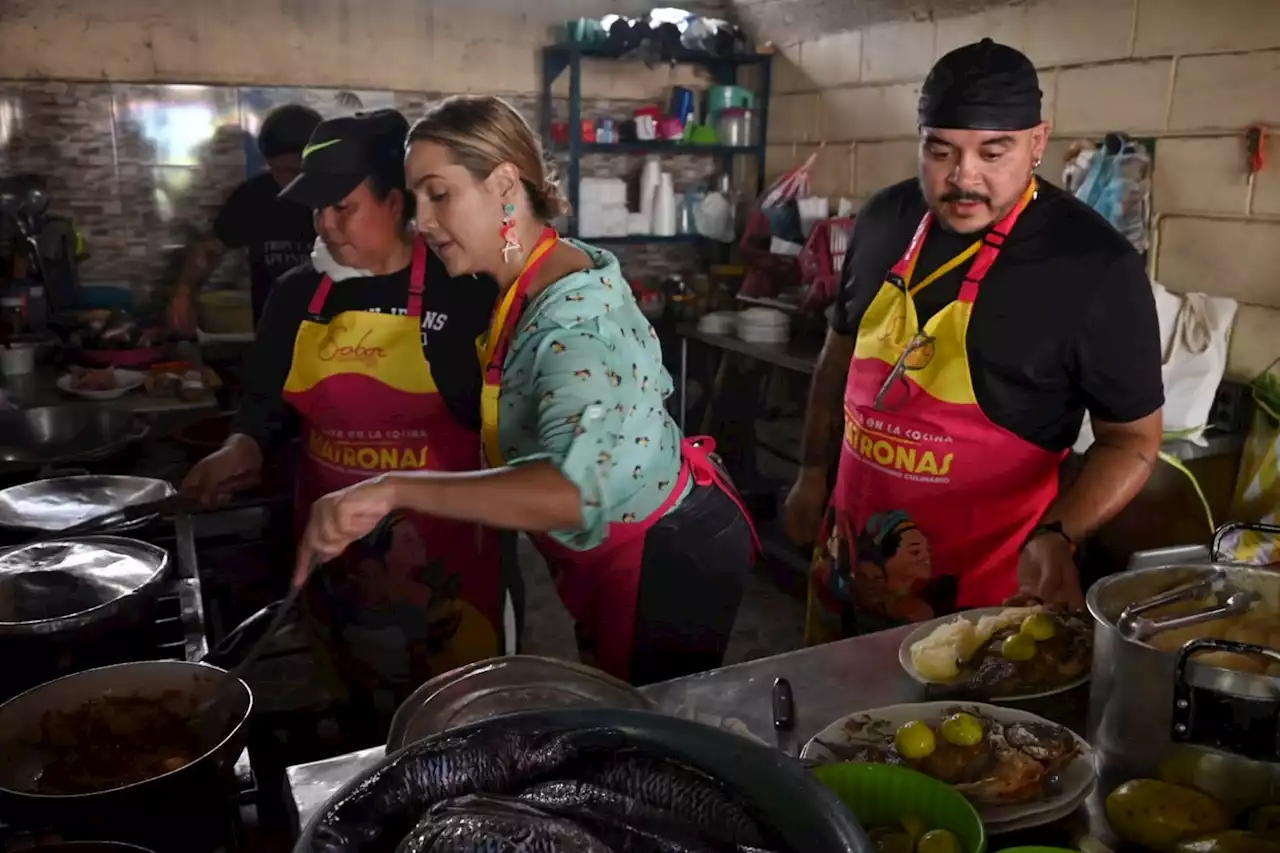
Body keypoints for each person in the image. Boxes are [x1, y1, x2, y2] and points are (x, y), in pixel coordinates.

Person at [292, 95, 758, 687]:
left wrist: (392, 490)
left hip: (661, 556)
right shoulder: (530, 278)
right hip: (620, 545)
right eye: (416, 200)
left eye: (440, 194)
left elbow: (570, 492)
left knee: (652, 732)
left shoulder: (573, 321)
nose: (424, 222)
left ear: (506, 184)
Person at [784, 38, 1164, 643]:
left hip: (984, 606)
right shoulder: (884, 220)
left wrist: (1059, 535)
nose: (965, 178)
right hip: (849, 569)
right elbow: (838, 355)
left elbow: (1134, 441)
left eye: (994, 153)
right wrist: (811, 469)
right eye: (941, 152)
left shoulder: (1093, 266)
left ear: (1038, 143)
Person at [181, 109, 514, 733]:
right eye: (317, 211)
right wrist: (240, 446)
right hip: (335, 556)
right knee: (359, 711)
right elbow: (264, 407)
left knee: (459, 718)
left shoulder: (467, 292)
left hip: (449, 560)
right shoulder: (296, 294)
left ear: (397, 203)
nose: (326, 226)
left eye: (344, 207)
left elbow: (509, 430)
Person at [167, 104, 323, 334]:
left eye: (296, 172)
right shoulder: (255, 196)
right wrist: (184, 293)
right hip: (273, 330)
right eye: (277, 169)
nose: (286, 182)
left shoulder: (341, 199)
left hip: (337, 335)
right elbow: (210, 249)